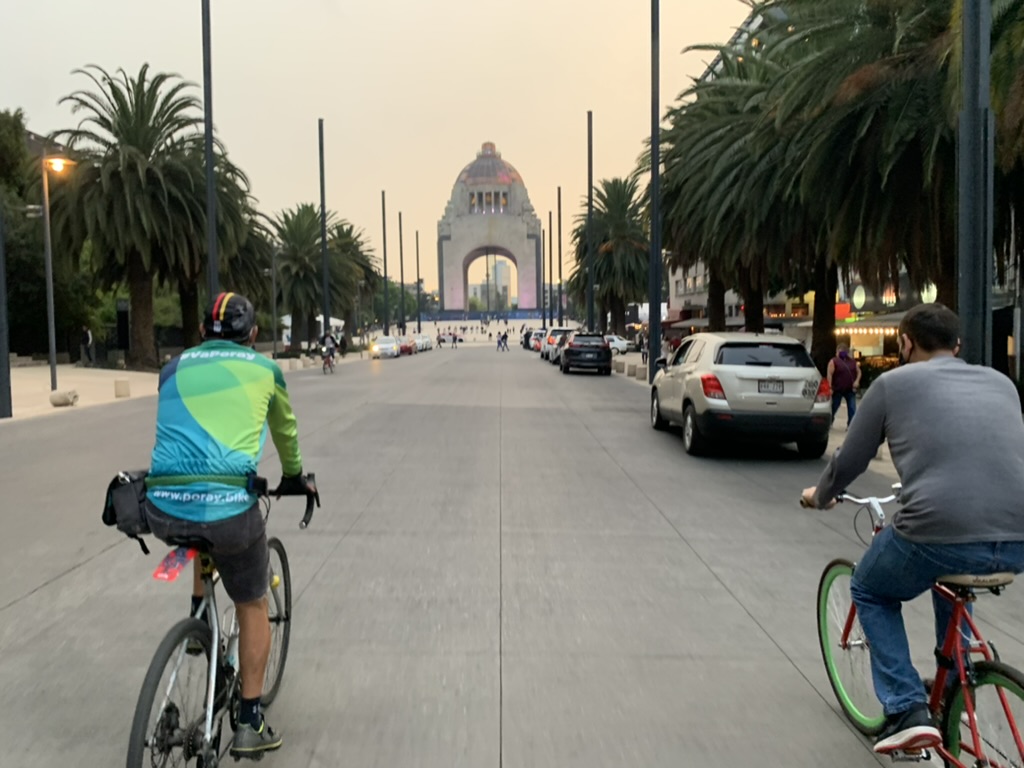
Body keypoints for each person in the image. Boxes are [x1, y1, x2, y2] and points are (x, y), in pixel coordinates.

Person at [801, 303, 1024, 755]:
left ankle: (906, 709)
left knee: (870, 588)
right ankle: (960, 691)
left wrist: (820, 495)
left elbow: (850, 460)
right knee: (952, 577)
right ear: (957, 347)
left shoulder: (892, 384)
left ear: (904, 343)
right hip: (1017, 538)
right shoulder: (1001, 383)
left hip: (937, 527)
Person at [145, 292, 314, 759]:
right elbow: (286, 433)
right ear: (253, 336)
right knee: (252, 600)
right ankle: (249, 720)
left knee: (201, 531)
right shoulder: (266, 371)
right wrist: (295, 476)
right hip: (229, 508)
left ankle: (199, 625)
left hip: (161, 504)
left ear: (201, 332)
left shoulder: (172, 368)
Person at [827, 342, 861, 426]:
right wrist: (830, 387)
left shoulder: (852, 362)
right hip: (838, 388)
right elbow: (829, 374)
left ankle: (851, 424)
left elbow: (859, 372)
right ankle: (829, 420)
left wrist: (857, 381)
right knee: (834, 406)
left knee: (852, 407)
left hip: (850, 389)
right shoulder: (834, 361)